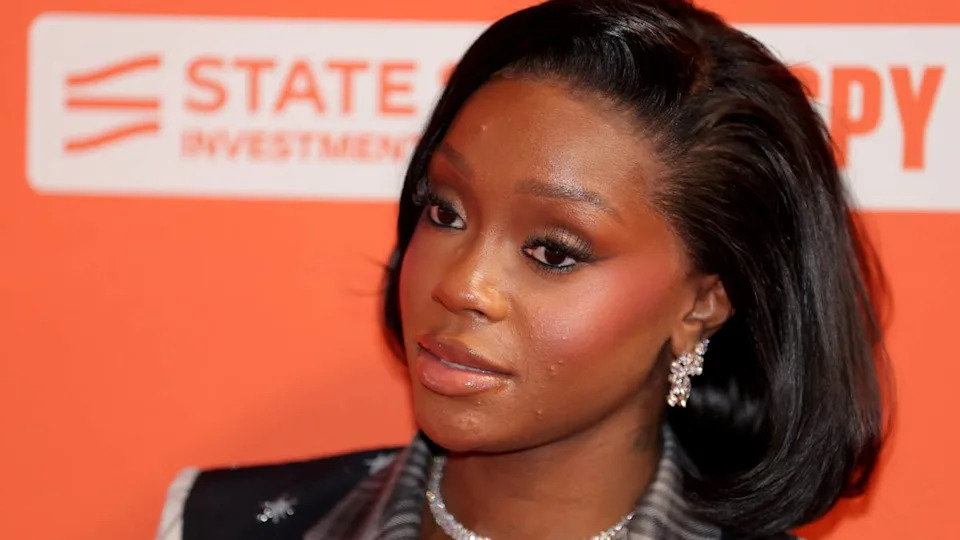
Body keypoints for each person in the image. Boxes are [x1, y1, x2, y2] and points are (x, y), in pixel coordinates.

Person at [155, 0, 891, 538]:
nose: (461, 283)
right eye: (445, 212)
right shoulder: (225, 525)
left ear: (701, 305)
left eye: (553, 252)